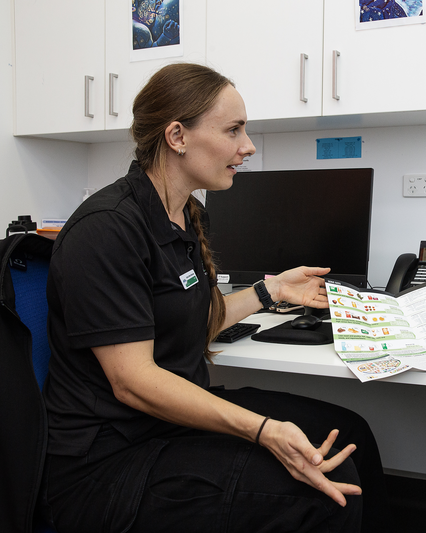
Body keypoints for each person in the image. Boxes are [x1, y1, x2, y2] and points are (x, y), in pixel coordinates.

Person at [39, 63, 387, 533]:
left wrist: (272, 291)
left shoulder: (186, 214)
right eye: (234, 130)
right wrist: (262, 430)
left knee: (351, 435)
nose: (248, 146)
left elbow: (192, 316)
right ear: (178, 136)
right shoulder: (106, 229)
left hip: (169, 425)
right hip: (108, 462)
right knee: (322, 488)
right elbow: (133, 382)